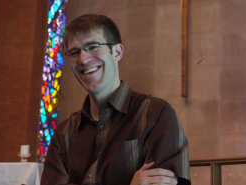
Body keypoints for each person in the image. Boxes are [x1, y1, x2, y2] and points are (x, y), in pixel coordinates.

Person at [41, 14, 190, 185]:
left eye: (93, 46)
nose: (83, 59)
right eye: (75, 52)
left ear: (117, 52)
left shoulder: (156, 115)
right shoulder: (63, 135)